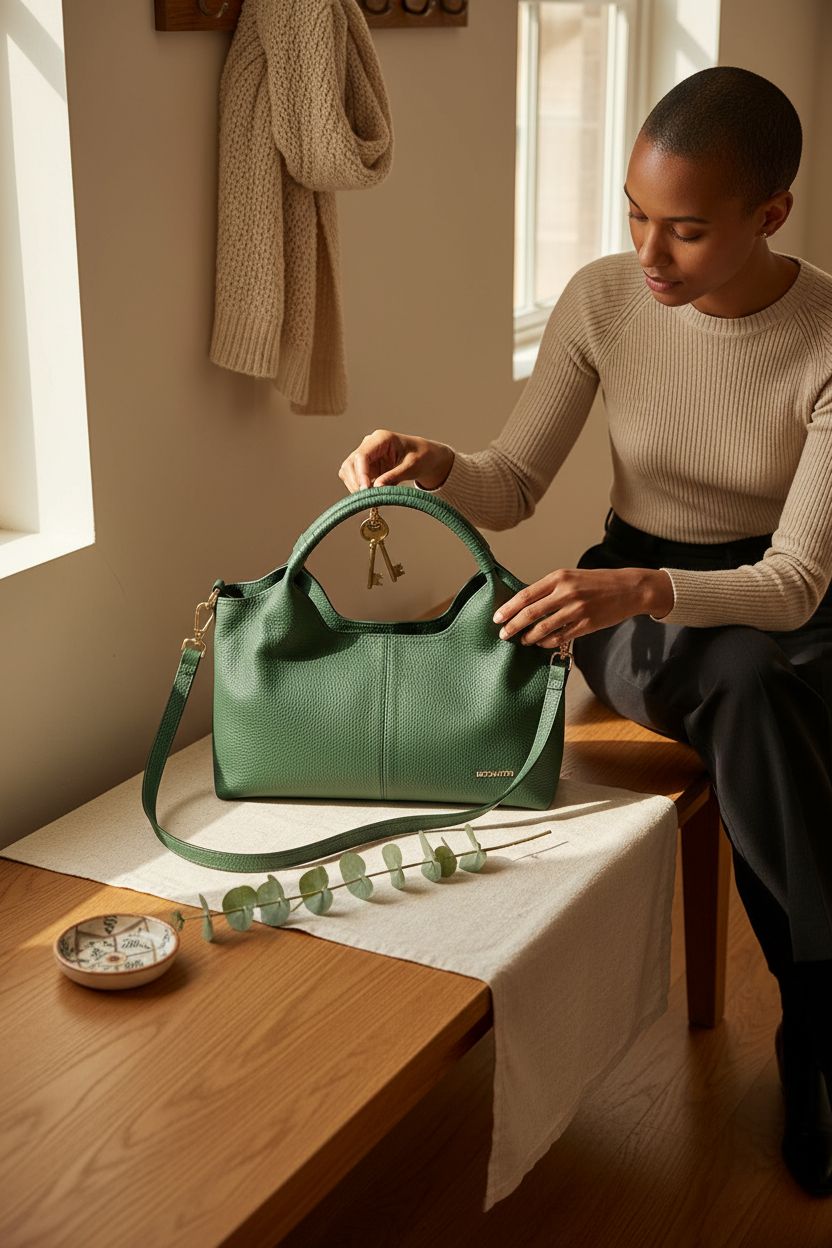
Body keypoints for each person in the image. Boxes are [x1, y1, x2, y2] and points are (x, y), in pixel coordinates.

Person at [337, 66, 832, 1197]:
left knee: (767, 674)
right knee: (758, 695)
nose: (649, 257)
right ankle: (819, 1029)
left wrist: (653, 591)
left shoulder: (826, 338)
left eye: (687, 231)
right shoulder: (606, 300)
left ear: (770, 217)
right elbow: (511, 484)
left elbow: (798, 578)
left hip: (777, 606)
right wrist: (436, 465)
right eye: (634, 216)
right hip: (627, 605)